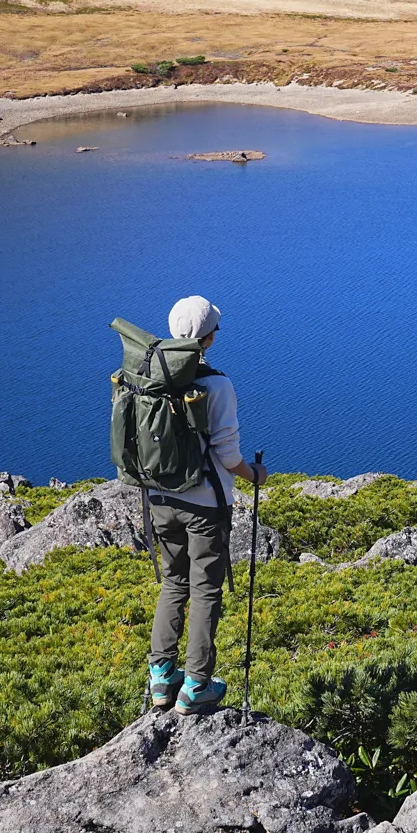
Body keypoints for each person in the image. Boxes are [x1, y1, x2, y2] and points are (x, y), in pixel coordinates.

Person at [146, 295, 265, 716]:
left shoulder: (148, 377)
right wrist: (254, 475)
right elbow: (228, 454)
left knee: (173, 581)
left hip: (158, 498)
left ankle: (161, 678)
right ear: (208, 338)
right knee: (205, 588)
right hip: (204, 503)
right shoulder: (216, 385)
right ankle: (196, 684)